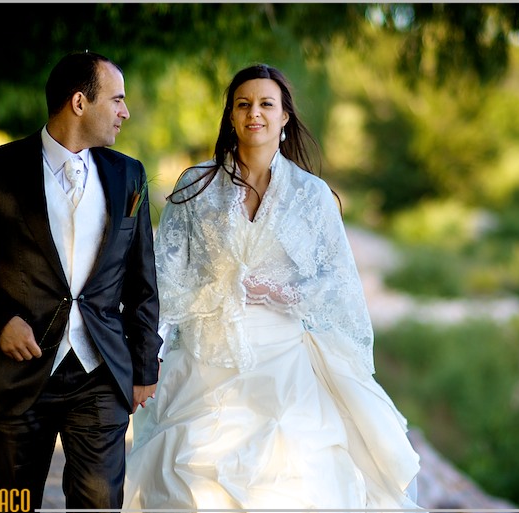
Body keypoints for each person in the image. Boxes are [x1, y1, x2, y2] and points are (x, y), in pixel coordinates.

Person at [122, 63, 422, 510]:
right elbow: (164, 279)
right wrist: (151, 354)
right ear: (230, 116)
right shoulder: (196, 185)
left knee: (295, 484)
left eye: (266, 104)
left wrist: (283, 293)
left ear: (284, 116)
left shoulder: (312, 194)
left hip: (286, 362)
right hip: (205, 362)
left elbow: (337, 283)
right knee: (187, 482)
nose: (254, 113)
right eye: (243, 104)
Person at [0, 51, 162, 512]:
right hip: (20, 373)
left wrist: (143, 366)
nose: (125, 112)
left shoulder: (129, 175)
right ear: (79, 102)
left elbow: (142, 280)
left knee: (99, 503)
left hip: (100, 373)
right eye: (116, 99)